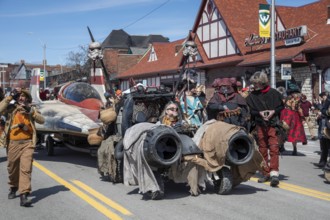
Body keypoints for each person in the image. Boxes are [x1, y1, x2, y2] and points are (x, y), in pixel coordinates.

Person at [0, 88, 45, 207]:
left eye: (23, 96)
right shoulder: (11, 109)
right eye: (19, 96)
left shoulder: (31, 109)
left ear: (27, 98)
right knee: (12, 168)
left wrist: (31, 111)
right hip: (13, 143)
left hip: (27, 143)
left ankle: (24, 195)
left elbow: (42, 120)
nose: (21, 98)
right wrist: (10, 97)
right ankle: (13, 186)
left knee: (26, 169)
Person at [246, 71, 284, 187]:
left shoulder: (274, 93)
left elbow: (280, 107)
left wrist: (273, 112)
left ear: (262, 82)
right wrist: (259, 113)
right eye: (254, 83)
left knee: (274, 148)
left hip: (273, 124)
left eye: (256, 83)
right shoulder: (252, 96)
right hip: (260, 124)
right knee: (262, 148)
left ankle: (274, 174)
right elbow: (251, 111)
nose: (255, 85)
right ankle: (265, 172)